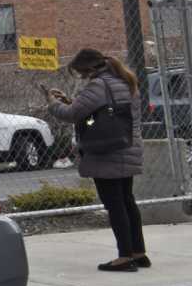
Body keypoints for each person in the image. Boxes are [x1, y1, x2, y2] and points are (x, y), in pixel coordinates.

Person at [47, 48, 147, 271]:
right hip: (128, 146)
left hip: (107, 152)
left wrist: (53, 103)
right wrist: (72, 101)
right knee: (127, 201)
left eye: (82, 73)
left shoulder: (98, 85)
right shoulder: (125, 81)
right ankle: (139, 252)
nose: (83, 77)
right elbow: (98, 113)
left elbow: (72, 114)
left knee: (115, 205)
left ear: (90, 68)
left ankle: (125, 257)